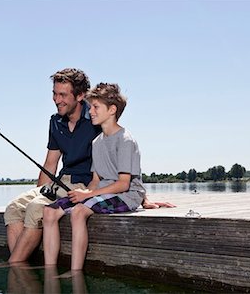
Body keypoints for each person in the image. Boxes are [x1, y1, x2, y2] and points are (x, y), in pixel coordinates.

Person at [43, 83, 174, 271]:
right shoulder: (97, 142)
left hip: (126, 195)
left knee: (79, 212)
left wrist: (87, 197)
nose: (91, 112)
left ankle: (75, 272)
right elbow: (96, 181)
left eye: (96, 107)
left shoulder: (125, 140)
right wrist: (84, 192)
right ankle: (49, 271)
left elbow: (123, 184)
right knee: (49, 212)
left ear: (112, 110)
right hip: (103, 192)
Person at [4, 68, 101, 264]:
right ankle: (21, 265)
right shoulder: (55, 121)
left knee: (35, 209)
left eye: (63, 95)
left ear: (80, 96)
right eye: (54, 94)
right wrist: (40, 191)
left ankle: (14, 267)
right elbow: (51, 162)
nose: (57, 100)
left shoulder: (97, 118)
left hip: (83, 185)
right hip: (59, 183)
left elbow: (119, 152)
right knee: (13, 208)